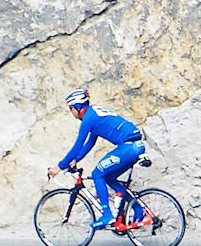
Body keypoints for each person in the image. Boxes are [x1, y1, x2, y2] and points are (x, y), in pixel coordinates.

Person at [49, 87, 148, 229]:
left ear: (77, 107)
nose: (71, 112)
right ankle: (138, 210)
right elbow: (90, 142)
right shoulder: (94, 112)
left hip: (128, 147)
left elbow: (77, 145)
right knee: (109, 178)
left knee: (97, 174)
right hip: (135, 145)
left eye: (71, 108)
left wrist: (59, 166)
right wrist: (76, 159)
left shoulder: (88, 119)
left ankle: (107, 214)